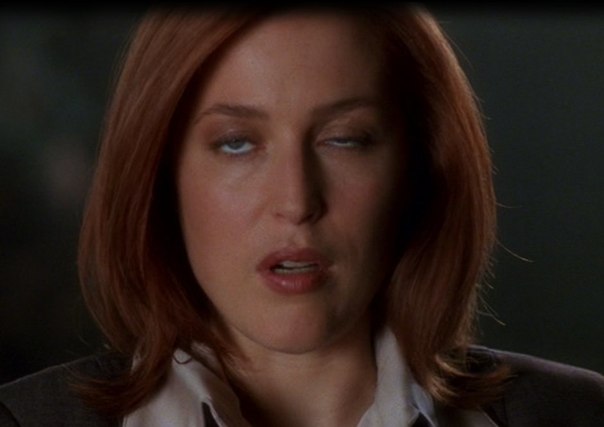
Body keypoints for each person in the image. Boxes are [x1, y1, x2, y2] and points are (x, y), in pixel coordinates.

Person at [0, 4, 602, 427]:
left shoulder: (578, 414)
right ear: (158, 175)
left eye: (345, 139)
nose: (295, 201)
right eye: (237, 143)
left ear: (420, 167)